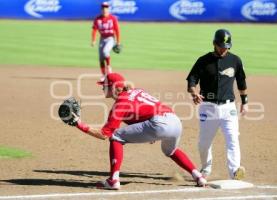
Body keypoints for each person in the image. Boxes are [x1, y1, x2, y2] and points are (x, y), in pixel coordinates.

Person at [73, 73, 207, 190]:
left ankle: (113, 180)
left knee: (115, 136)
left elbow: (103, 134)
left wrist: (78, 123)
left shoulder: (120, 104)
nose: (103, 87)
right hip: (175, 122)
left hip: (158, 123)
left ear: (115, 88)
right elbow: (143, 111)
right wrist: (151, 132)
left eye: (105, 85)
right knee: (170, 150)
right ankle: (198, 176)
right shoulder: (136, 91)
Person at [186, 29, 248, 180]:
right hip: (208, 107)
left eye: (226, 46)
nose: (223, 49)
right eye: (221, 46)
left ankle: (234, 172)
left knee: (232, 138)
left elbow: (241, 82)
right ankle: (206, 169)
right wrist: (194, 93)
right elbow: (191, 80)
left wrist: (245, 102)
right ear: (214, 44)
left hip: (229, 108)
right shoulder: (203, 60)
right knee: (204, 143)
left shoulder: (235, 60)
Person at [91, 2, 121, 79]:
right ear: (101, 9)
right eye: (103, 8)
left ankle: (109, 67)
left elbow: (117, 30)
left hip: (110, 38)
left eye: (106, 7)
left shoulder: (113, 18)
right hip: (102, 39)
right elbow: (94, 29)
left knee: (105, 52)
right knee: (101, 58)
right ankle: (104, 75)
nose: (105, 9)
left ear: (108, 9)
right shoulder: (97, 19)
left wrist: (118, 41)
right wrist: (93, 40)